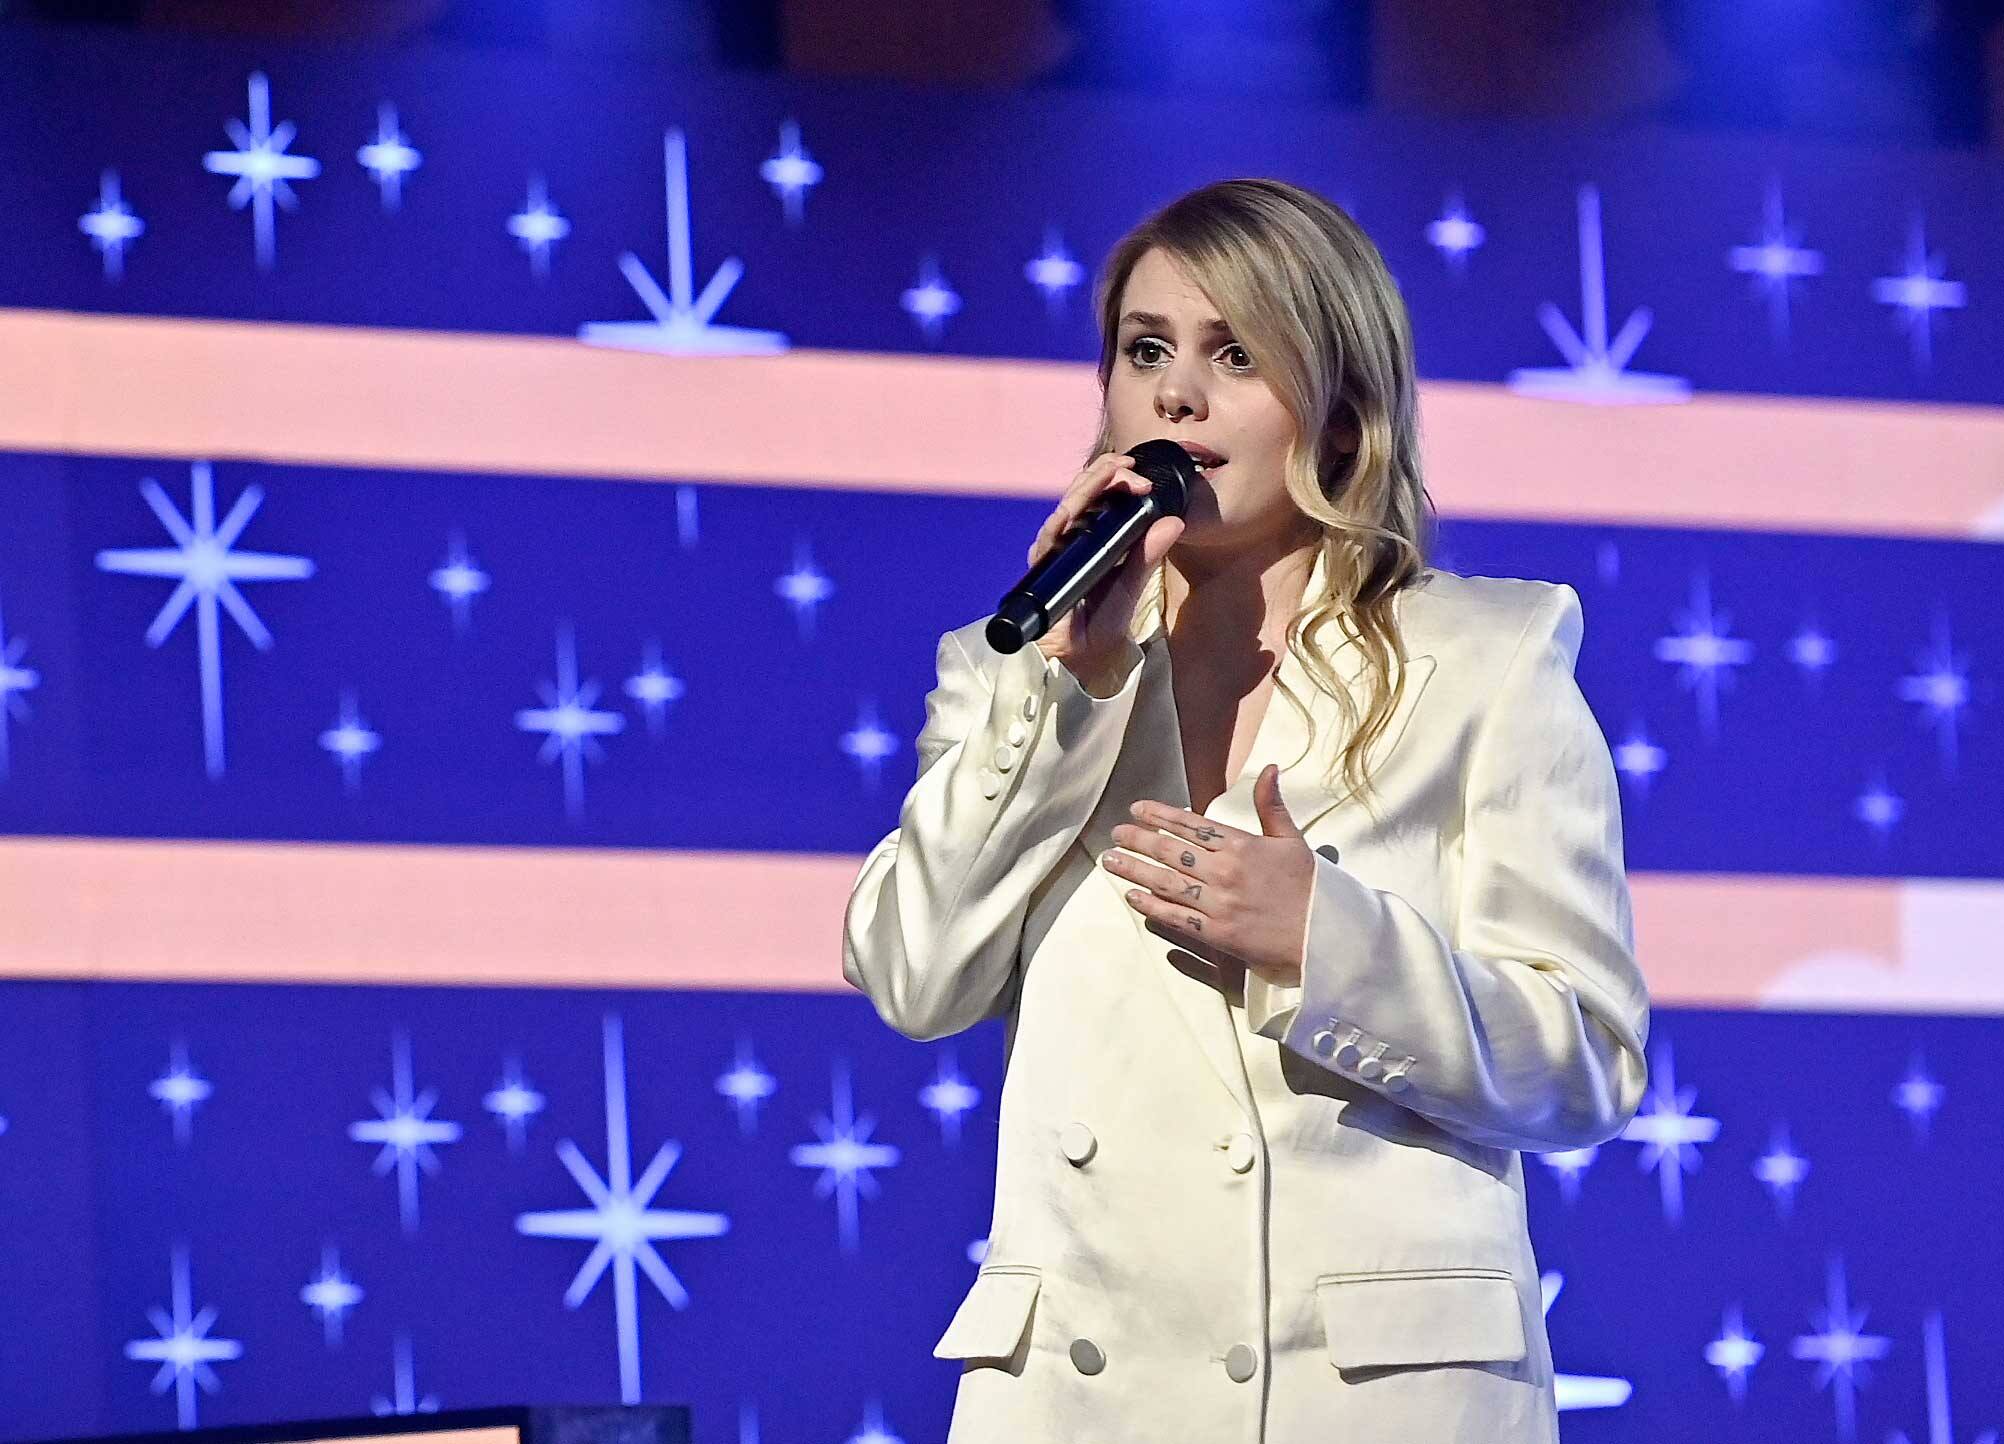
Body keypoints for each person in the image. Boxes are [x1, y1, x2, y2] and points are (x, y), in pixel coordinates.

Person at [840, 177, 1650, 1443]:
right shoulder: (1015, 664)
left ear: (1338, 411)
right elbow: (912, 972)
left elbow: (1586, 1060)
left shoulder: (1489, 659)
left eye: (1237, 355)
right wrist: (1073, 684)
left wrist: (1331, 940)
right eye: (1145, 349)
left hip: (1373, 1399)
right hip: (1083, 1394)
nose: (1175, 394)